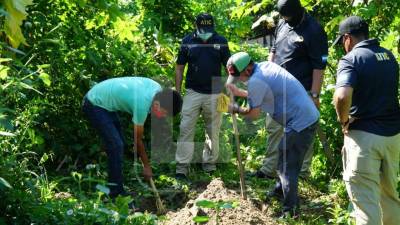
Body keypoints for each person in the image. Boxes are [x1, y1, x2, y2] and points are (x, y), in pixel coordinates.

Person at [226, 52, 319, 218]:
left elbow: (253, 114)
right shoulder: (265, 67)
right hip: (307, 118)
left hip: (300, 123)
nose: (238, 79)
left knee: (286, 166)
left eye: (238, 76)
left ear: (247, 70)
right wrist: (240, 92)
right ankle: (279, 191)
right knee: (287, 161)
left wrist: (236, 109)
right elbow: (265, 93)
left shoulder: (256, 81)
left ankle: (291, 212)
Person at [333, 16, 400, 225]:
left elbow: (342, 96)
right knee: (390, 198)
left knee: (365, 203)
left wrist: (343, 121)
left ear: (347, 38)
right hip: (393, 137)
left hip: (364, 140)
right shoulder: (388, 56)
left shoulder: (351, 59)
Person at [252, 0, 328, 179]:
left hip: (302, 90)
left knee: (302, 129)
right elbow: (274, 48)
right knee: (274, 128)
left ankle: (302, 172)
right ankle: (269, 169)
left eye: (289, 17)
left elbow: (319, 65)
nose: (286, 20)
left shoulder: (314, 30)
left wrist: (314, 95)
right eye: (283, 17)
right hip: (277, 88)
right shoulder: (282, 24)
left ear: (299, 11)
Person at [82, 77, 182, 198]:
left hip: (105, 103)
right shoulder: (142, 104)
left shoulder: (157, 90)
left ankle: (110, 183)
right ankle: (116, 194)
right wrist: (146, 166)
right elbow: (137, 139)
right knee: (116, 145)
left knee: (117, 144)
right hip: (94, 103)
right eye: (164, 113)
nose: (163, 116)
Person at [175, 13, 231, 179]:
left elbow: (230, 68)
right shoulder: (187, 41)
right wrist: (178, 93)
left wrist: (227, 92)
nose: (206, 33)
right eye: (202, 29)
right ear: (196, 26)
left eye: (208, 29)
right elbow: (179, 68)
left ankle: (209, 164)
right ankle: (182, 168)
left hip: (216, 93)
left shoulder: (221, 41)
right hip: (192, 91)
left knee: (213, 131)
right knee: (185, 129)